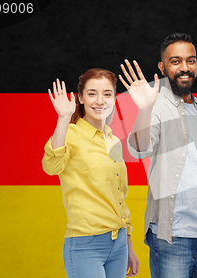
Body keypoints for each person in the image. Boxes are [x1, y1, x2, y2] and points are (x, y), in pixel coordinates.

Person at [119, 32, 197, 278]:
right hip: (172, 237)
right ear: (162, 66)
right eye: (175, 61)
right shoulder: (155, 105)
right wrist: (145, 109)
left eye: (190, 61)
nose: (184, 68)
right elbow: (139, 148)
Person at [42, 69, 139, 278]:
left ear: (114, 98)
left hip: (119, 242)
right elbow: (51, 166)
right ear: (80, 97)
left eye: (107, 94)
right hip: (86, 244)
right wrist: (63, 119)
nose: (100, 101)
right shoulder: (72, 133)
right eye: (92, 93)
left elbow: (119, 197)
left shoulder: (113, 140)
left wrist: (128, 245)